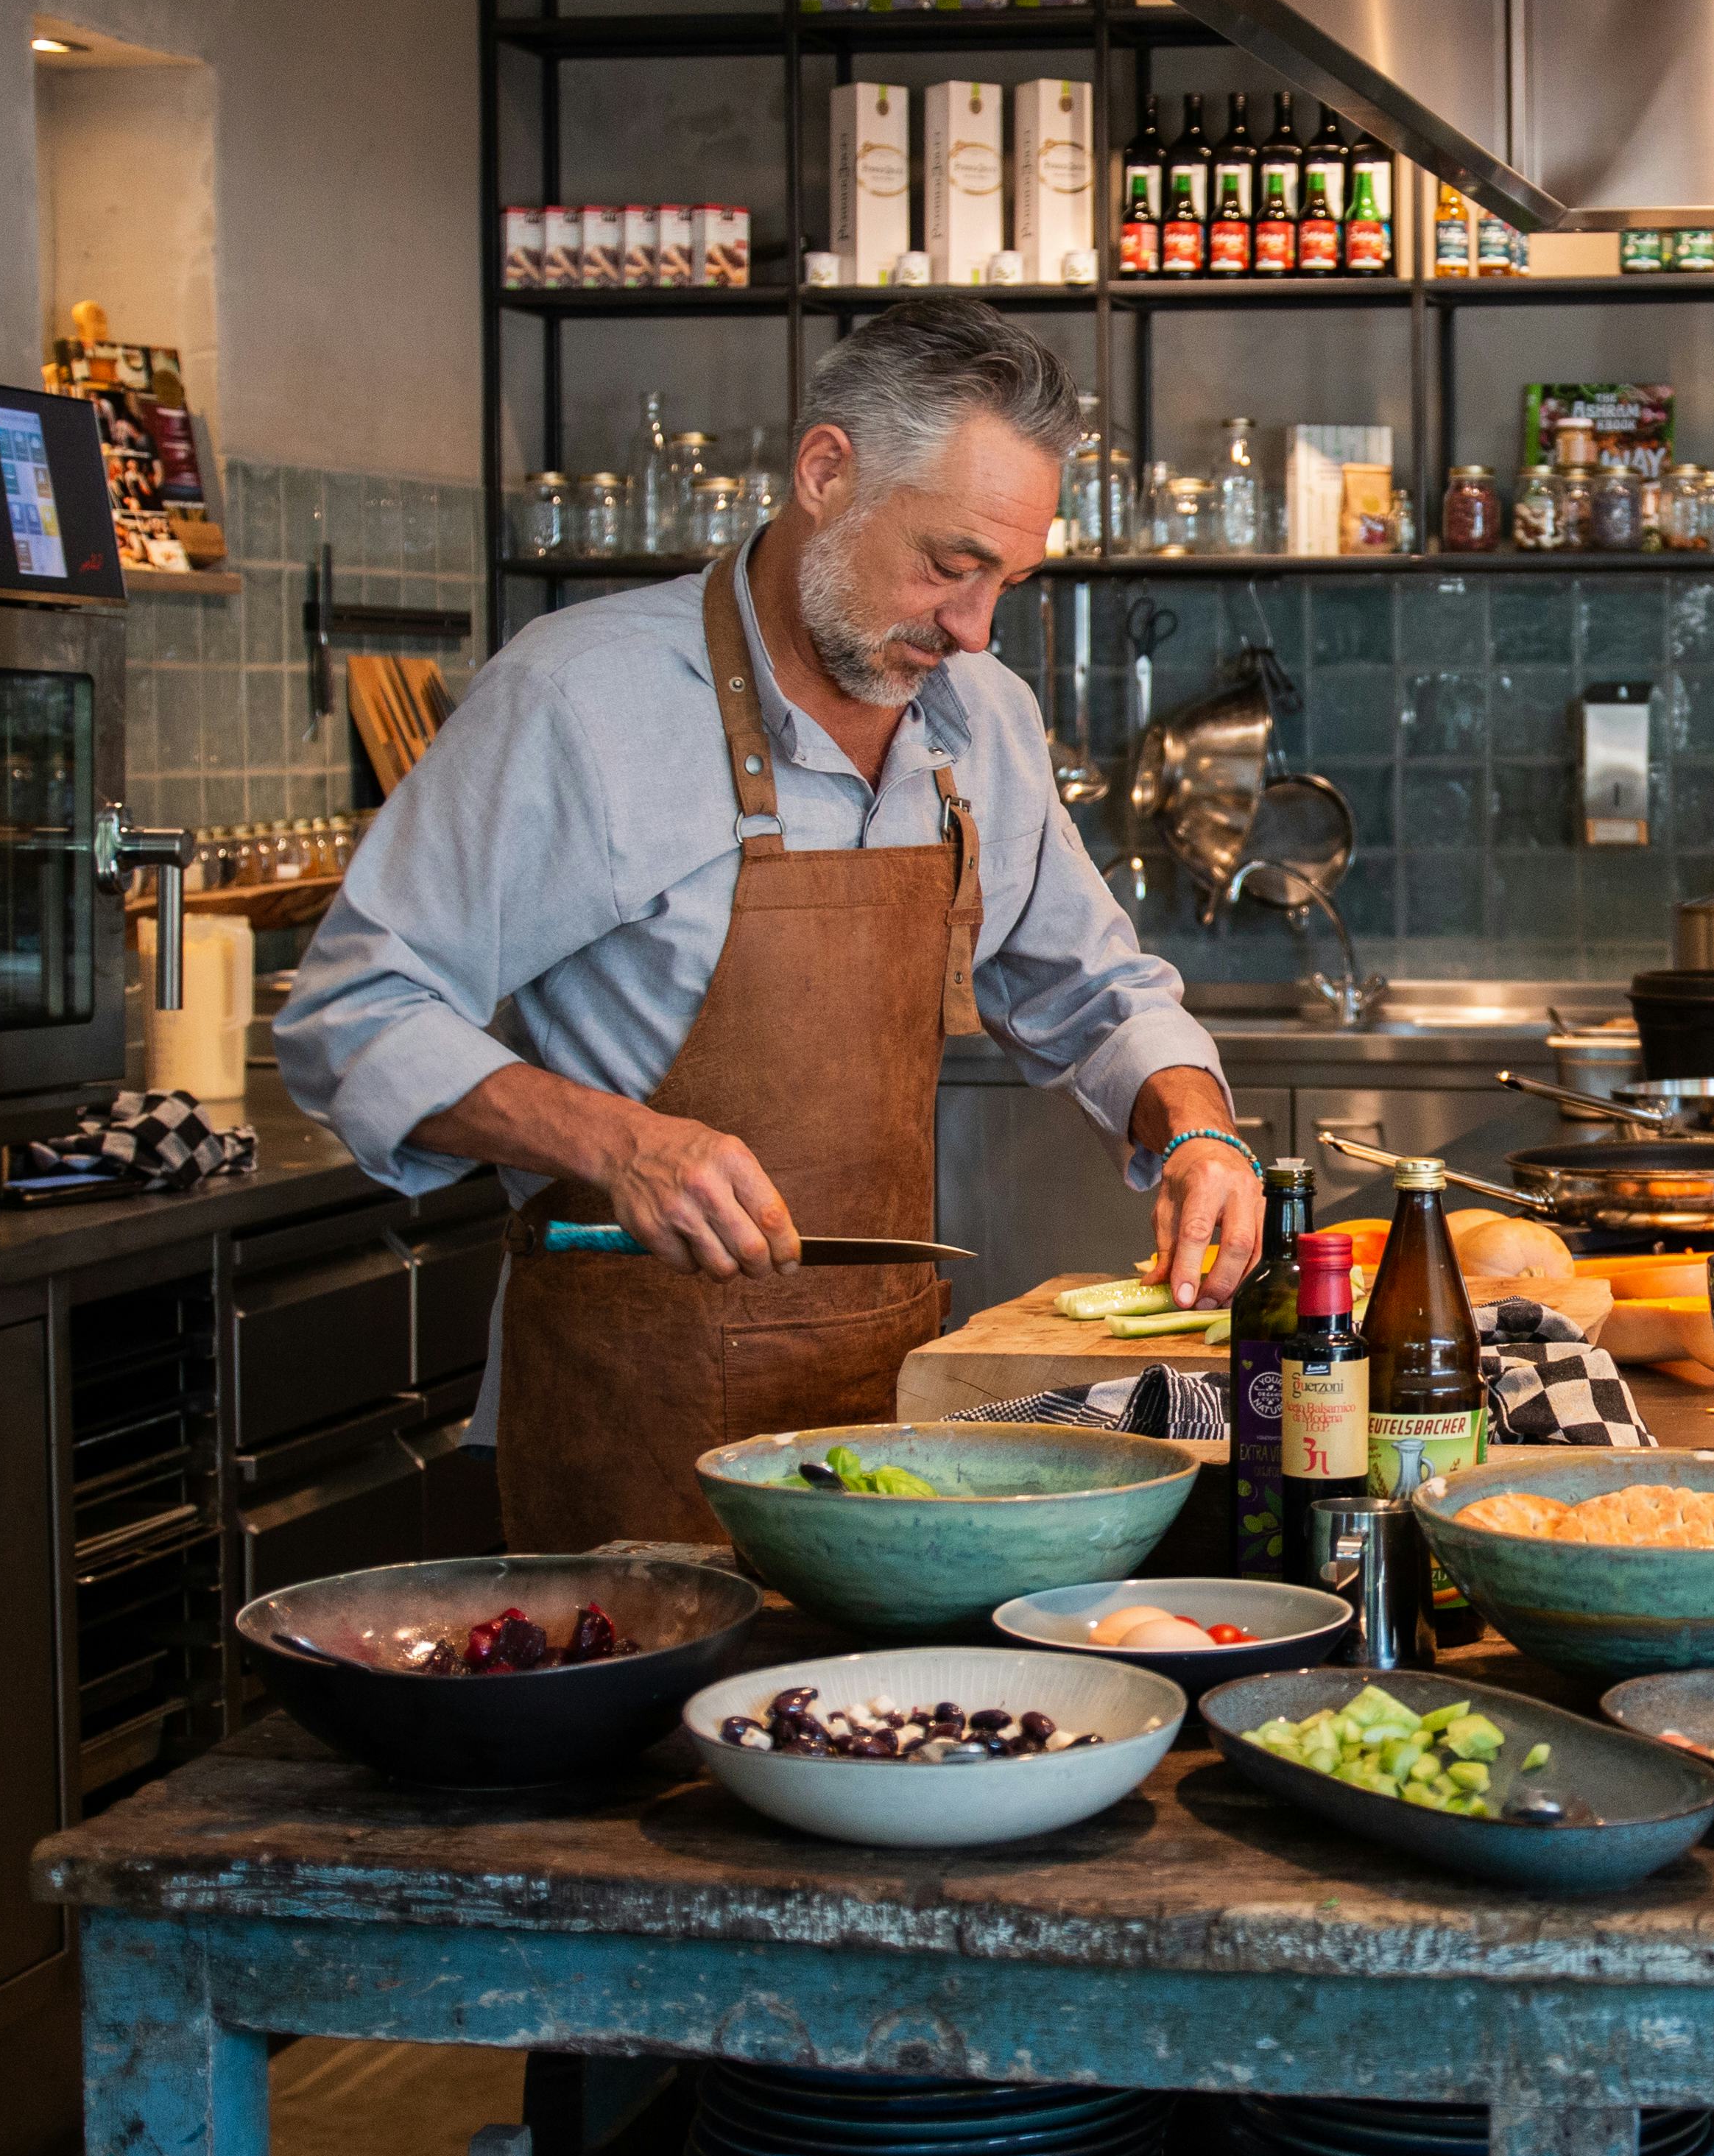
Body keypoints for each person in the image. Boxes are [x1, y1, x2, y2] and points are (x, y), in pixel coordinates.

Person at [278, 303, 1260, 1551]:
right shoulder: (578, 699)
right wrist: (618, 1140)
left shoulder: (984, 719)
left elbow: (1096, 989)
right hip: (637, 1435)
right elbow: (352, 1013)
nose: (974, 628)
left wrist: (1195, 1131)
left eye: (1007, 582)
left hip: (890, 1426)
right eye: (948, 563)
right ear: (825, 472)